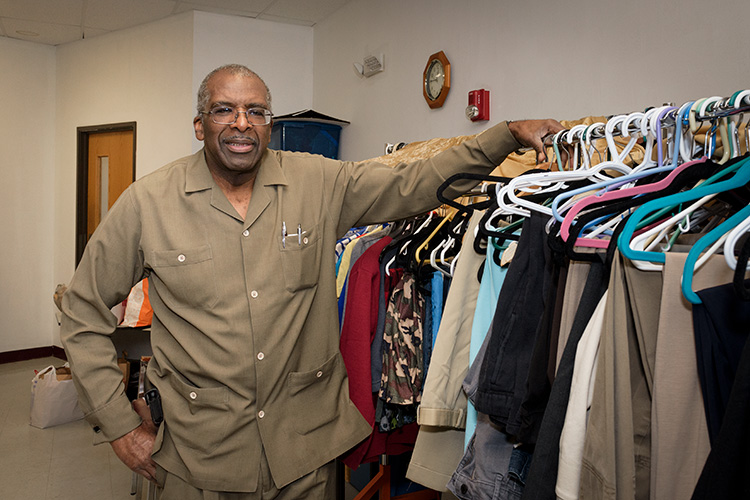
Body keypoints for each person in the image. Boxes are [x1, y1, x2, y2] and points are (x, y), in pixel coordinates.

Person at [61, 63, 565, 499]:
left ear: (269, 122)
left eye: (256, 111)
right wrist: (121, 426)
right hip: (199, 458)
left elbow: (414, 181)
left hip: (303, 453)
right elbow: (83, 311)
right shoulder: (148, 203)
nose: (242, 124)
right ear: (199, 124)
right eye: (224, 110)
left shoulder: (318, 182)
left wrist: (502, 136)